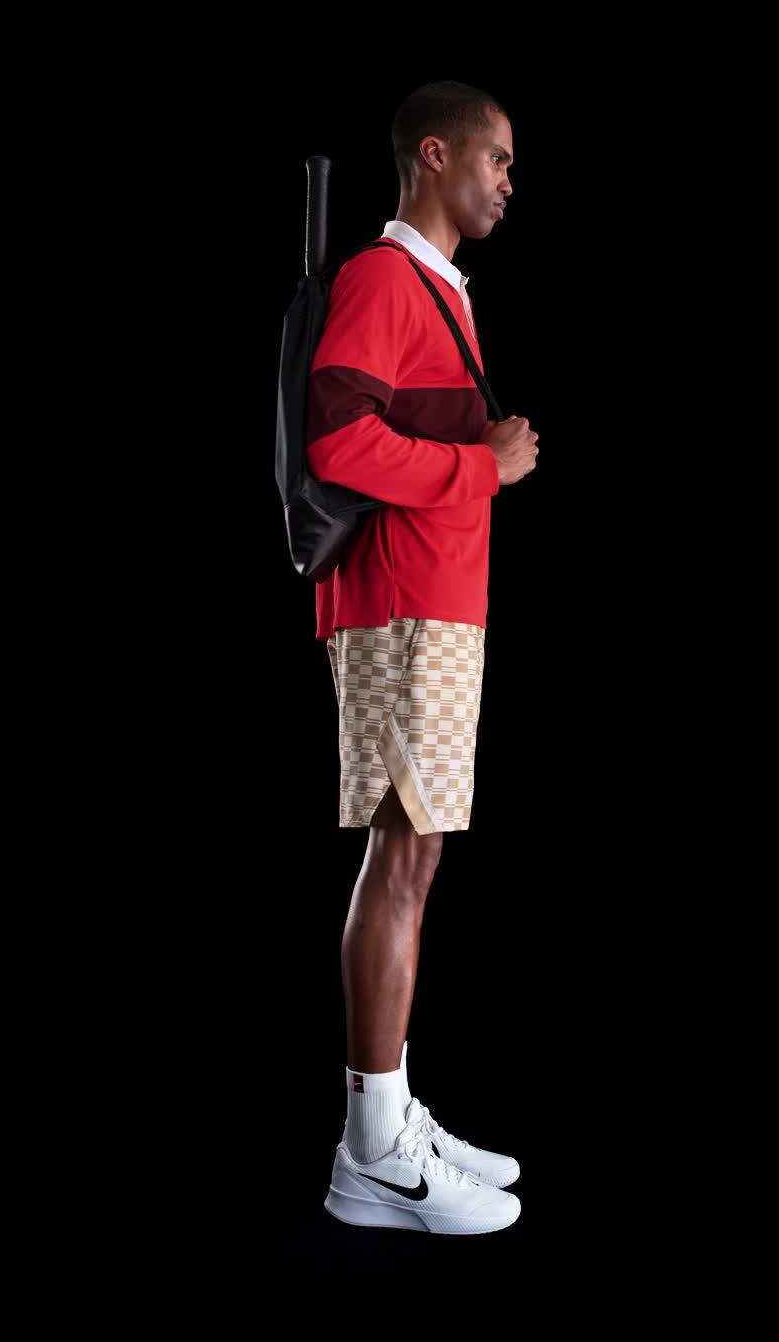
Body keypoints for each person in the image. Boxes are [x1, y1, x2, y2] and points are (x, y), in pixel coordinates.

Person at [308, 81, 539, 1234]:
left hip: (437, 606)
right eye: (498, 160)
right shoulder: (382, 279)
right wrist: (481, 468)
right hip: (403, 608)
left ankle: (390, 1119)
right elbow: (337, 441)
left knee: (417, 856)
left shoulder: (438, 287)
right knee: (403, 860)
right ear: (436, 155)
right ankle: (373, 1155)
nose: (509, 183)